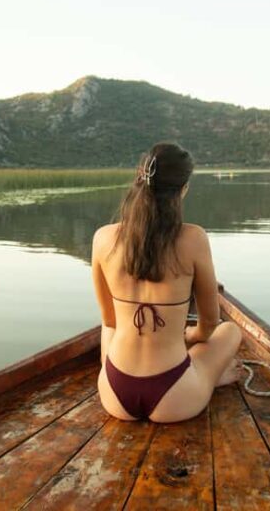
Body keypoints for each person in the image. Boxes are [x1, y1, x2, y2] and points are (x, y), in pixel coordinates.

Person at [91, 142, 243, 423]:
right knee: (230, 331)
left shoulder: (102, 238)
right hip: (176, 397)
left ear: (139, 180)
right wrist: (190, 337)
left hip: (113, 393)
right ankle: (209, 379)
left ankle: (196, 375)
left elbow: (110, 322)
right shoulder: (194, 238)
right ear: (182, 189)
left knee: (110, 326)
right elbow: (209, 324)